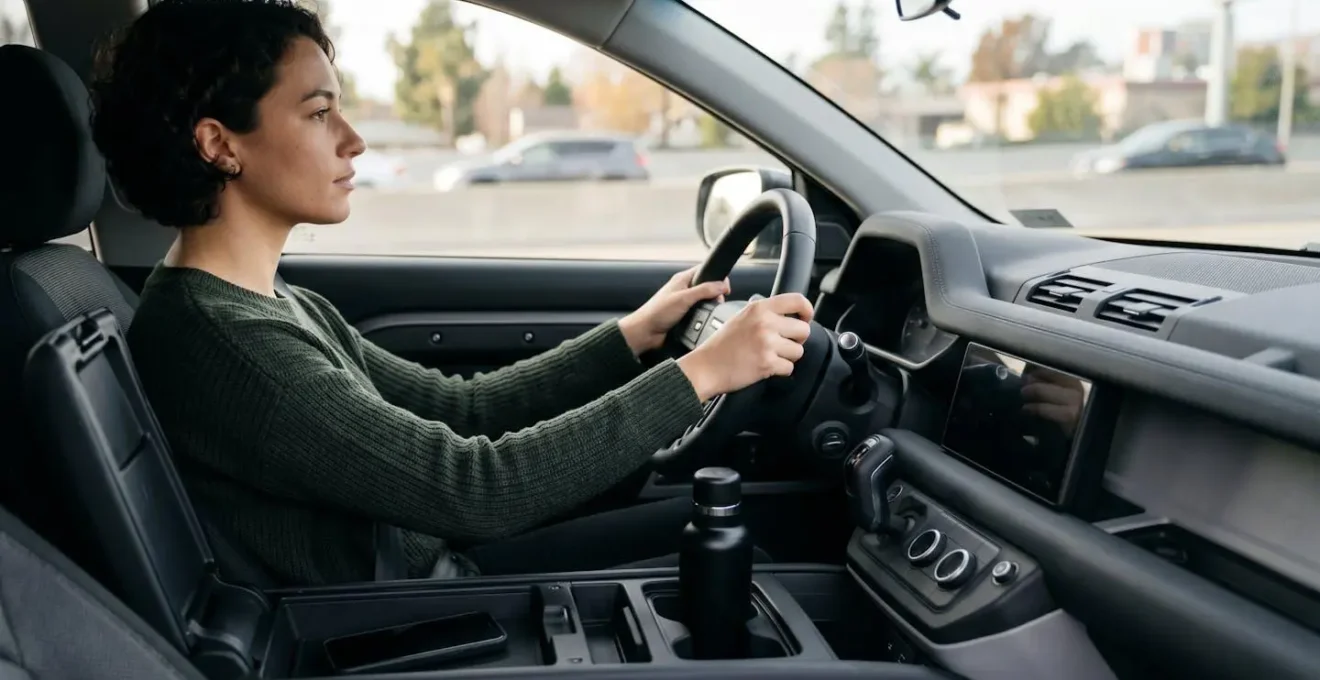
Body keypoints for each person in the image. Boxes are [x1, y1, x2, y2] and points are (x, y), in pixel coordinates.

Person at [88, 0, 815, 586]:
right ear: (220, 145)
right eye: (317, 113)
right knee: (769, 543)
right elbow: (474, 486)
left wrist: (632, 338)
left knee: (765, 523)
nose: (353, 140)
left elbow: (460, 410)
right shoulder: (224, 343)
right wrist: (703, 373)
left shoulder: (274, 304)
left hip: (429, 578)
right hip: (401, 622)